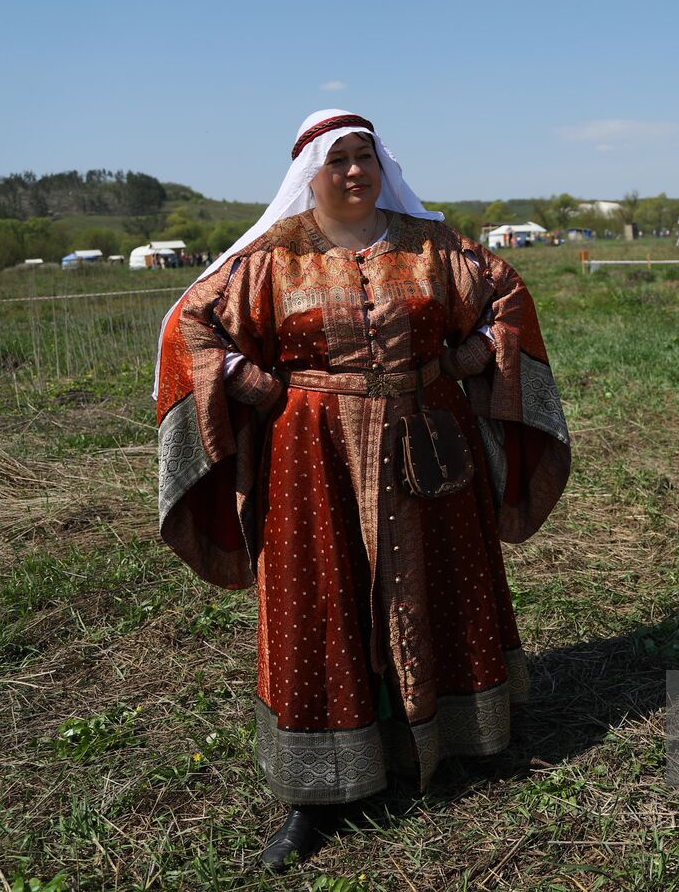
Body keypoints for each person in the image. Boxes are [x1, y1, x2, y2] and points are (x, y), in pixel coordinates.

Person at [155, 109, 571, 870]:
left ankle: (468, 742)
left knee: (449, 578)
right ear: (309, 171)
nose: (354, 170)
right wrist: (245, 378)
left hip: (427, 439)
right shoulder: (272, 257)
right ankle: (317, 795)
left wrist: (473, 355)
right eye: (338, 159)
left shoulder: (432, 245)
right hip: (312, 454)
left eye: (365, 156)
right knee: (320, 600)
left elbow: (505, 298)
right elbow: (192, 322)